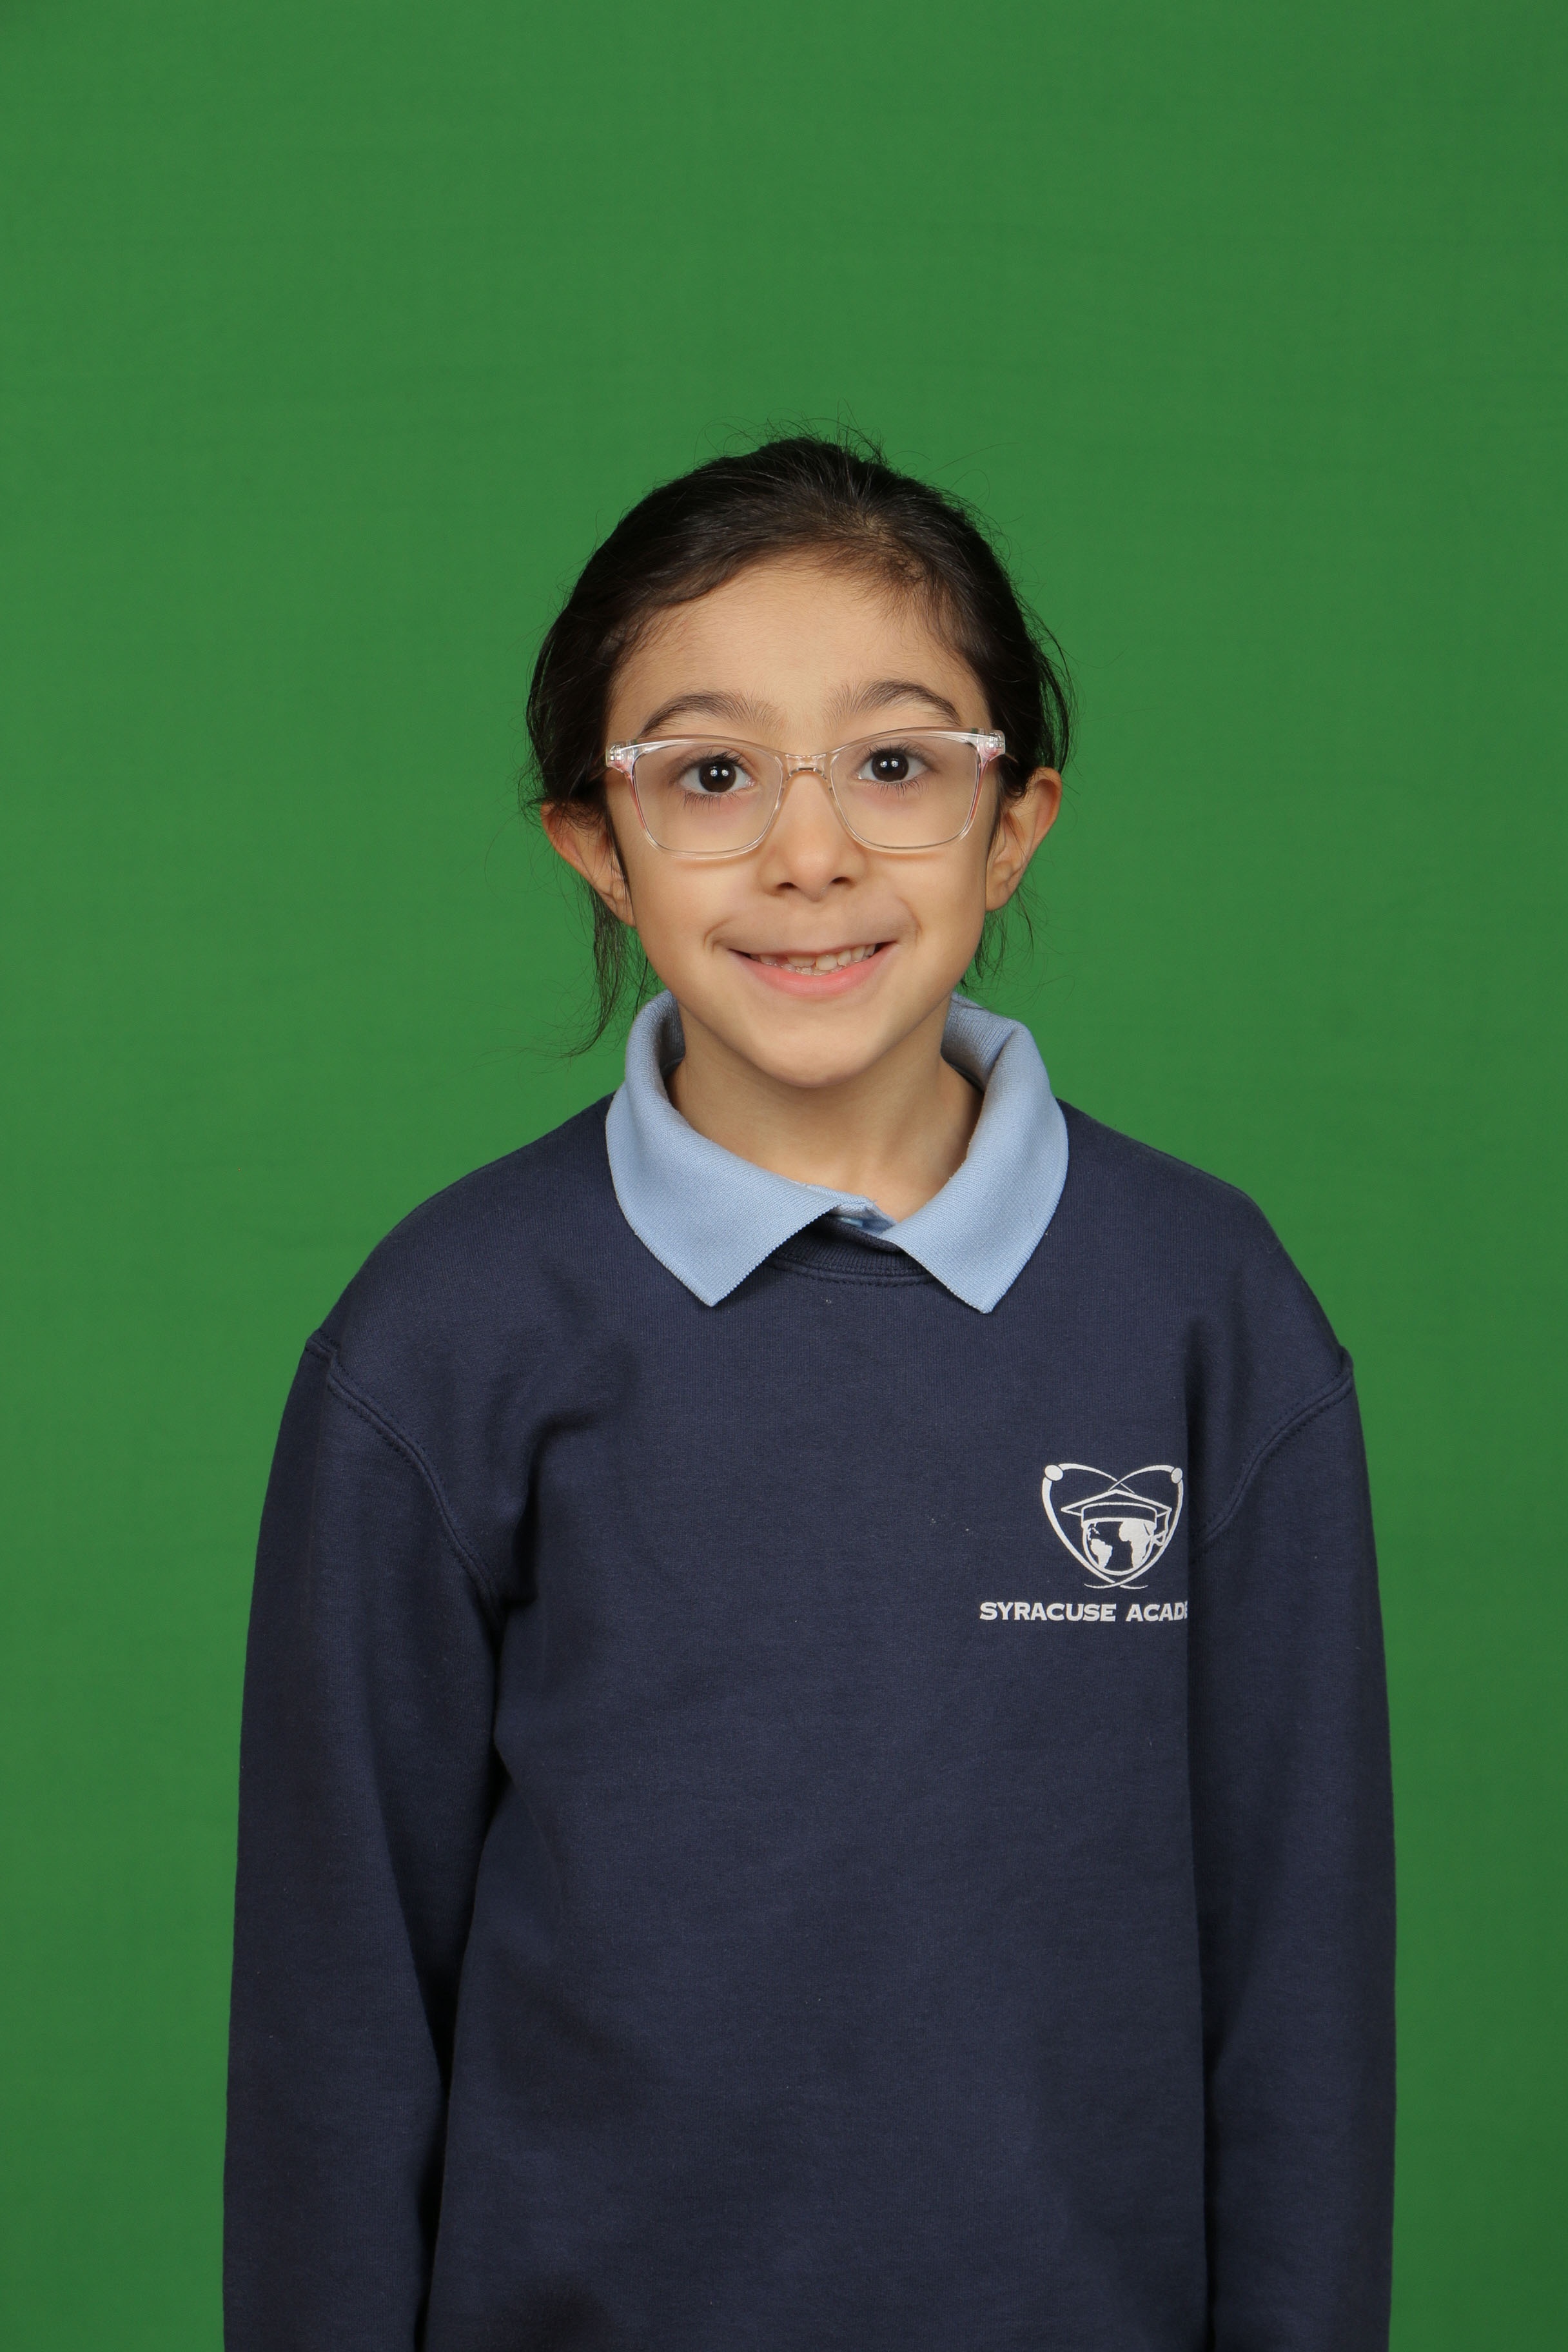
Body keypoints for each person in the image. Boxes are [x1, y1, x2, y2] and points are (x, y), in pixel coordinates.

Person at [224, 435, 1395, 2351]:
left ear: (1013, 822)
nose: (811, 852)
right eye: (708, 775)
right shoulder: (441, 1337)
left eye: (896, 764)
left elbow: (1302, 1996)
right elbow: (334, 2029)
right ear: (593, 845)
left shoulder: (1210, 1310)